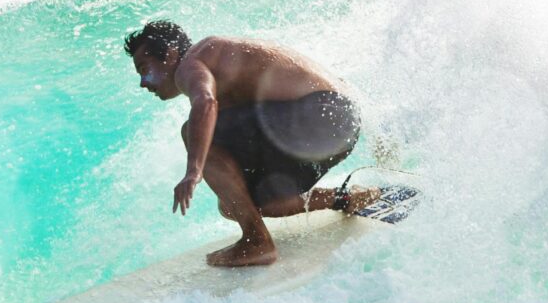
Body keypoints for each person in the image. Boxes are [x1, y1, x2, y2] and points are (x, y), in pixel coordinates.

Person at [123, 19, 378, 268]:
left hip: (322, 114)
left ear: (169, 54)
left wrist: (193, 172)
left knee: (192, 131)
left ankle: (256, 241)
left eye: (145, 69)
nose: (143, 83)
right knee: (242, 204)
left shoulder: (191, 62)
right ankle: (345, 198)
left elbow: (205, 102)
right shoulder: (223, 66)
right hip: (340, 127)